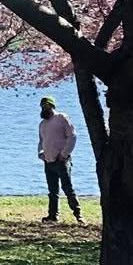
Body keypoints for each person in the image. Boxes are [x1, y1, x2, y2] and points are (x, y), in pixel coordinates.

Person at [37, 96, 81, 224]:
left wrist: (64, 154)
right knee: (52, 191)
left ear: (52, 106)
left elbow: (72, 136)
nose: (44, 108)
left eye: (47, 106)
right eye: (42, 106)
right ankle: (52, 215)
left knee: (68, 188)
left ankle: (78, 214)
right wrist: (41, 154)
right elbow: (41, 141)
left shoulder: (61, 118)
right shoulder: (42, 124)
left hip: (61, 161)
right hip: (48, 161)